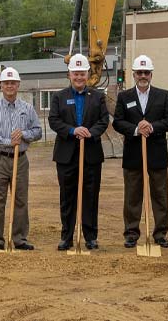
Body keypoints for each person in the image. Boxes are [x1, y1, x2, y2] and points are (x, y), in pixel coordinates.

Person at [111, 55, 168, 249]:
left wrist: (152, 126)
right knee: (132, 196)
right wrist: (135, 129)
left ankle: (160, 233)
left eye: (146, 72)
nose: (142, 76)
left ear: (151, 74)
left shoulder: (163, 95)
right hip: (133, 154)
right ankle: (131, 233)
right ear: (133, 74)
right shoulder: (124, 97)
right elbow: (117, 121)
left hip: (156, 154)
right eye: (139, 72)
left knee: (160, 195)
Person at [49, 53, 109, 251]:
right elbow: (54, 120)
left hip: (91, 154)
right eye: (75, 73)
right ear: (69, 75)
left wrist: (89, 133)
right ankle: (66, 236)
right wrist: (73, 130)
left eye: (82, 73)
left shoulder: (98, 97)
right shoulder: (59, 97)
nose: (79, 77)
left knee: (90, 196)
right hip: (66, 155)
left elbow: (103, 121)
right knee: (67, 197)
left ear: (87, 74)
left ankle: (90, 236)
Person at [0, 67, 43, 251]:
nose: (9, 86)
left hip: (21, 159)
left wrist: (23, 135)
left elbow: (38, 131)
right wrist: (9, 141)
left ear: (18, 85)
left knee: (20, 199)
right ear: (1, 85)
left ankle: (19, 238)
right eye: (6, 83)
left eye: (13, 83)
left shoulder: (27, 108)